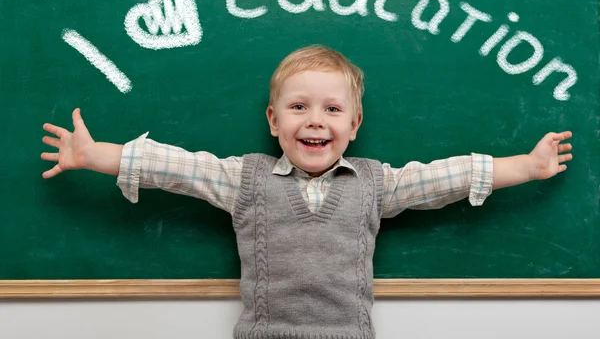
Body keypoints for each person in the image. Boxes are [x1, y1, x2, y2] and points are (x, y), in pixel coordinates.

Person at [41, 45, 572, 339]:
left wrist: (526, 166)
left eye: (332, 110)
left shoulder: (375, 183)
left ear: (354, 124)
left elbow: (445, 178)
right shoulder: (243, 179)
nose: (315, 121)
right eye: (298, 107)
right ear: (273, 120)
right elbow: (174, 167)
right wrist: (95, 155)